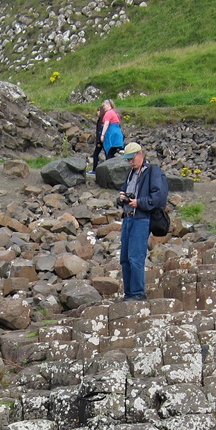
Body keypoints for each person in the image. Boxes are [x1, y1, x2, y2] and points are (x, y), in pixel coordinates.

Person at [116, 142, 168, 302]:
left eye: (132, 158)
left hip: (141, 219)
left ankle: (138, 293)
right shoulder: (131, 174)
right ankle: (129, 293)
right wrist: (121, 198)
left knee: (135, 256)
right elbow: (124, 193)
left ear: (140, 154)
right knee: (124, 258)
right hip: (128, 218)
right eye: (128, 159)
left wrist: (139, 202)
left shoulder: (153, 172)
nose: (130, 162)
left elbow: (159, 197)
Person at [88, 103, 106, 175]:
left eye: (98, 111)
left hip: (100, 141)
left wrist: (98, 141)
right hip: (103, 140)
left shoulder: (101, 119)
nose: (97, 113)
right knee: (106, 154)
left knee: (95, 155)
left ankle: (94, 170)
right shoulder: (102, 119)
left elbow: (99, 131)